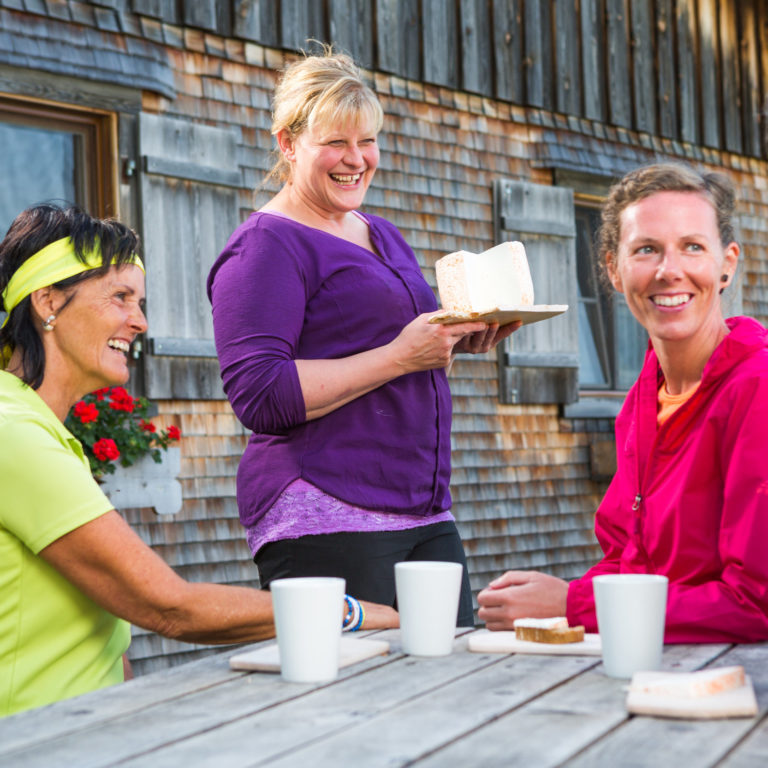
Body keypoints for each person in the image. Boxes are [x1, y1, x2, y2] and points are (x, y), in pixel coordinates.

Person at [0, 203, 397, 717]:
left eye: (139, 301)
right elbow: (168, 606)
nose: (139, 321)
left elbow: (106, 635)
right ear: (47, 301)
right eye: (120, 297)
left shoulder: (42, 429)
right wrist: (354, 611)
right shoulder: (14, 432)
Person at [207, 48, 518, 626]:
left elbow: (389, 343)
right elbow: (261, 396)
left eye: (367, 141)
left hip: (422, 507)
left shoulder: (381, 232)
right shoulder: (264, 248)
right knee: (357, 706)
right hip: (324, 507)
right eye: (336, 142)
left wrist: (456, 339)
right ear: (288, 142)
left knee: (448, 681)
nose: (356, 160)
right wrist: (401, 358)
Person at [477, 162, 768, 643]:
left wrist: (572, 603)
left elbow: (755, 604)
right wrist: (544, 601)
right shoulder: (642, 398)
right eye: (646, 249)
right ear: (613, 268)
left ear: (727, 263)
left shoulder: (756, 389)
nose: (668, 271)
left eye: (692, 247)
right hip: (654, 661)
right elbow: (629, 561)